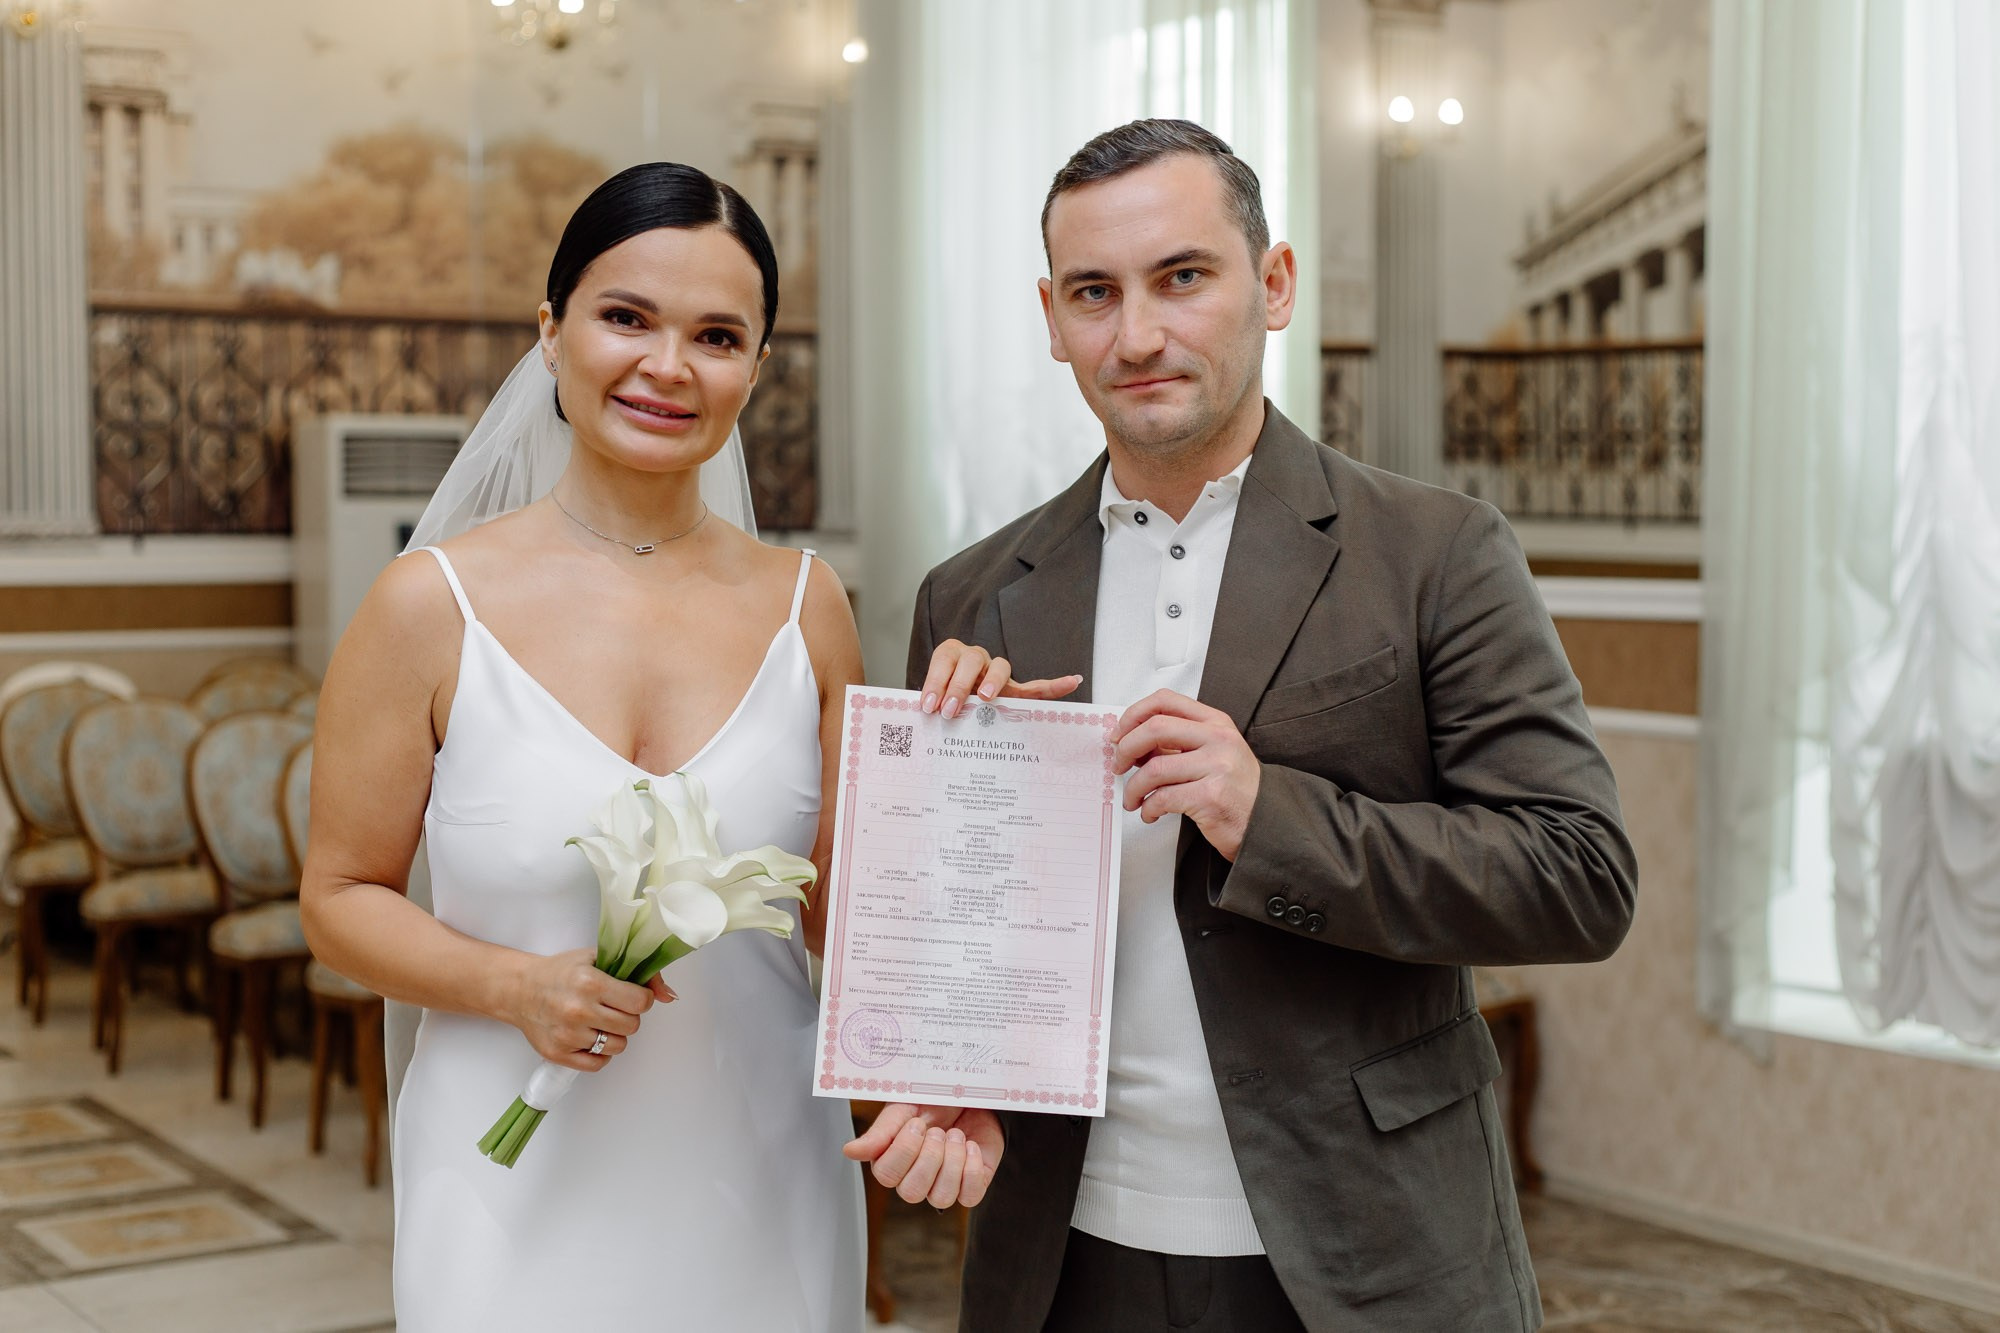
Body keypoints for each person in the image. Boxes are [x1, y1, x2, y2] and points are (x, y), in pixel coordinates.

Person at [848, 119, 1638, 1331]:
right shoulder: (970, 597)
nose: (1136, 335)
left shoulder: (1435, 552)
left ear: (1271, 285)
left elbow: (1577, 879)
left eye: (1181, 277)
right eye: (1093, 293)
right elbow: (959, 955)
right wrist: (946, 1069)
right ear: (1051, 319)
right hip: (1060, 1256)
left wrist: (1267, 815)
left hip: (1363, 1252)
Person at [300, 163, 869, 1331]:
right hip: (507, 1176)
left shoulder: (808, 605)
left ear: (755, 368)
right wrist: (515, 985)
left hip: (763, 1163)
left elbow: (847, 916)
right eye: (626, 317)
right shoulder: (428, 604)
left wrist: (969, 752)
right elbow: (339, 896)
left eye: (716, 336)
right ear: (550, 329)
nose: (668, 365)